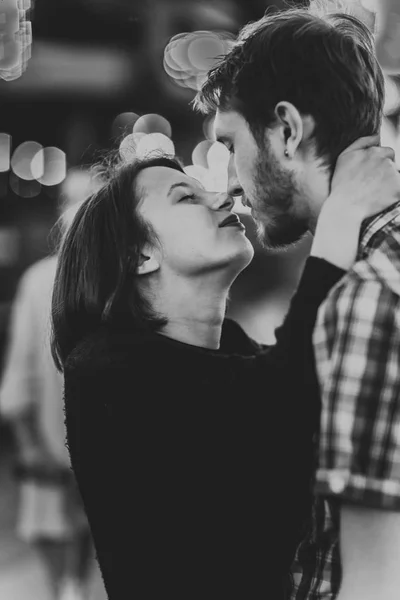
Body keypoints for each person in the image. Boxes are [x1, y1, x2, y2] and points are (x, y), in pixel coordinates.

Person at [50, 142, 399, 600]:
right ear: (139, 255)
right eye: (186, 197)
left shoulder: (236, 350)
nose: (223, 198)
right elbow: (286, 397)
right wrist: (341, 215)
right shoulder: (104, 370)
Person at [193, 2, 400, 599]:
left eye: (230, 144)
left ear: (286, 130)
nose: (229, 179)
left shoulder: (368, 295)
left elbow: (374, 584)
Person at [0, 169, 102, 600]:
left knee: (64, 587)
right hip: (97, 465)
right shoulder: (127, 281)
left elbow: (17, 388)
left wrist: (32, 452)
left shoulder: (41, 280)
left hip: (53, 464)